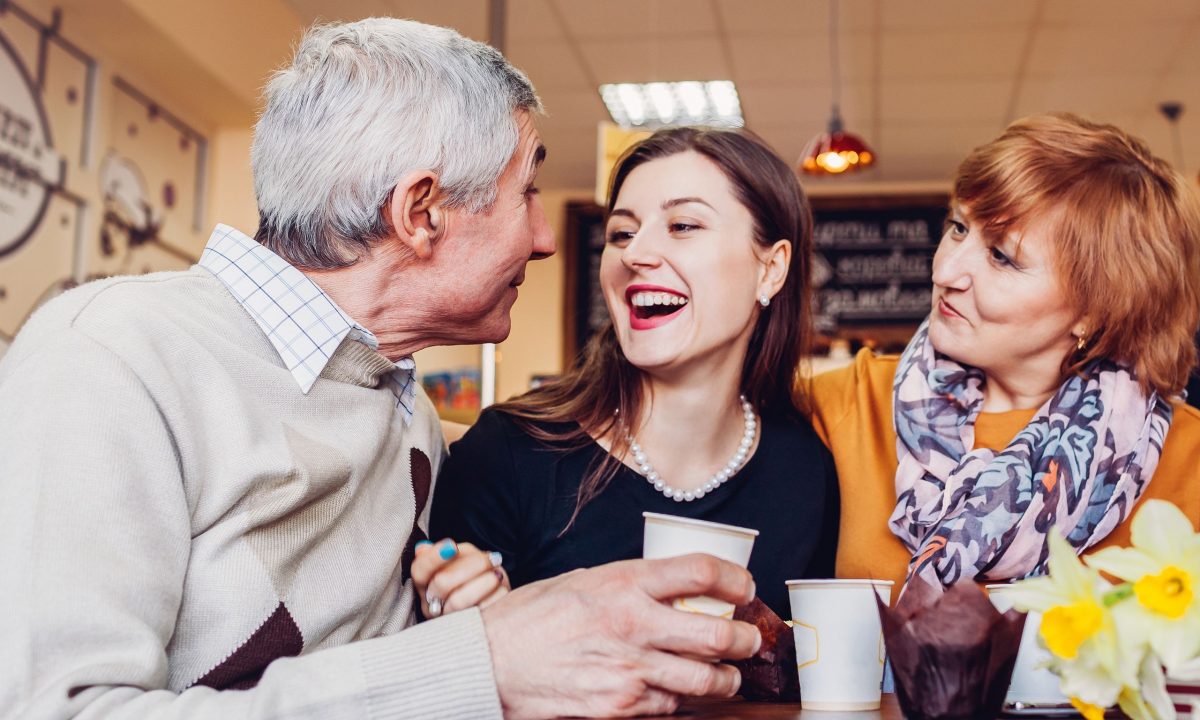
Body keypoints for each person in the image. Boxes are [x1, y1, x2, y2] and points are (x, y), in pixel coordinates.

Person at [0, 18, 763, 720]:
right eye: (527, 192)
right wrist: (483, 663)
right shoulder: (107, 357)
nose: (546, 239)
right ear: (421, 212)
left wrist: (468, 614)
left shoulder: (404, 411)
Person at [427, 127, 839, 621]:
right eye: (621, 233)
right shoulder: (509, 455)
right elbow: (449, 668)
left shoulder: (806, 473)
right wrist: (475, 618)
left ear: (771, 269)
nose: (634, 254)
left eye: (683, 226)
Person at [807, 113, 1200, 595]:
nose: (946, 270)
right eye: (957, 227)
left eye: (1001, 256)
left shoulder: (1188, 458)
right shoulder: (854, 398)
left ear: (1097, 311)